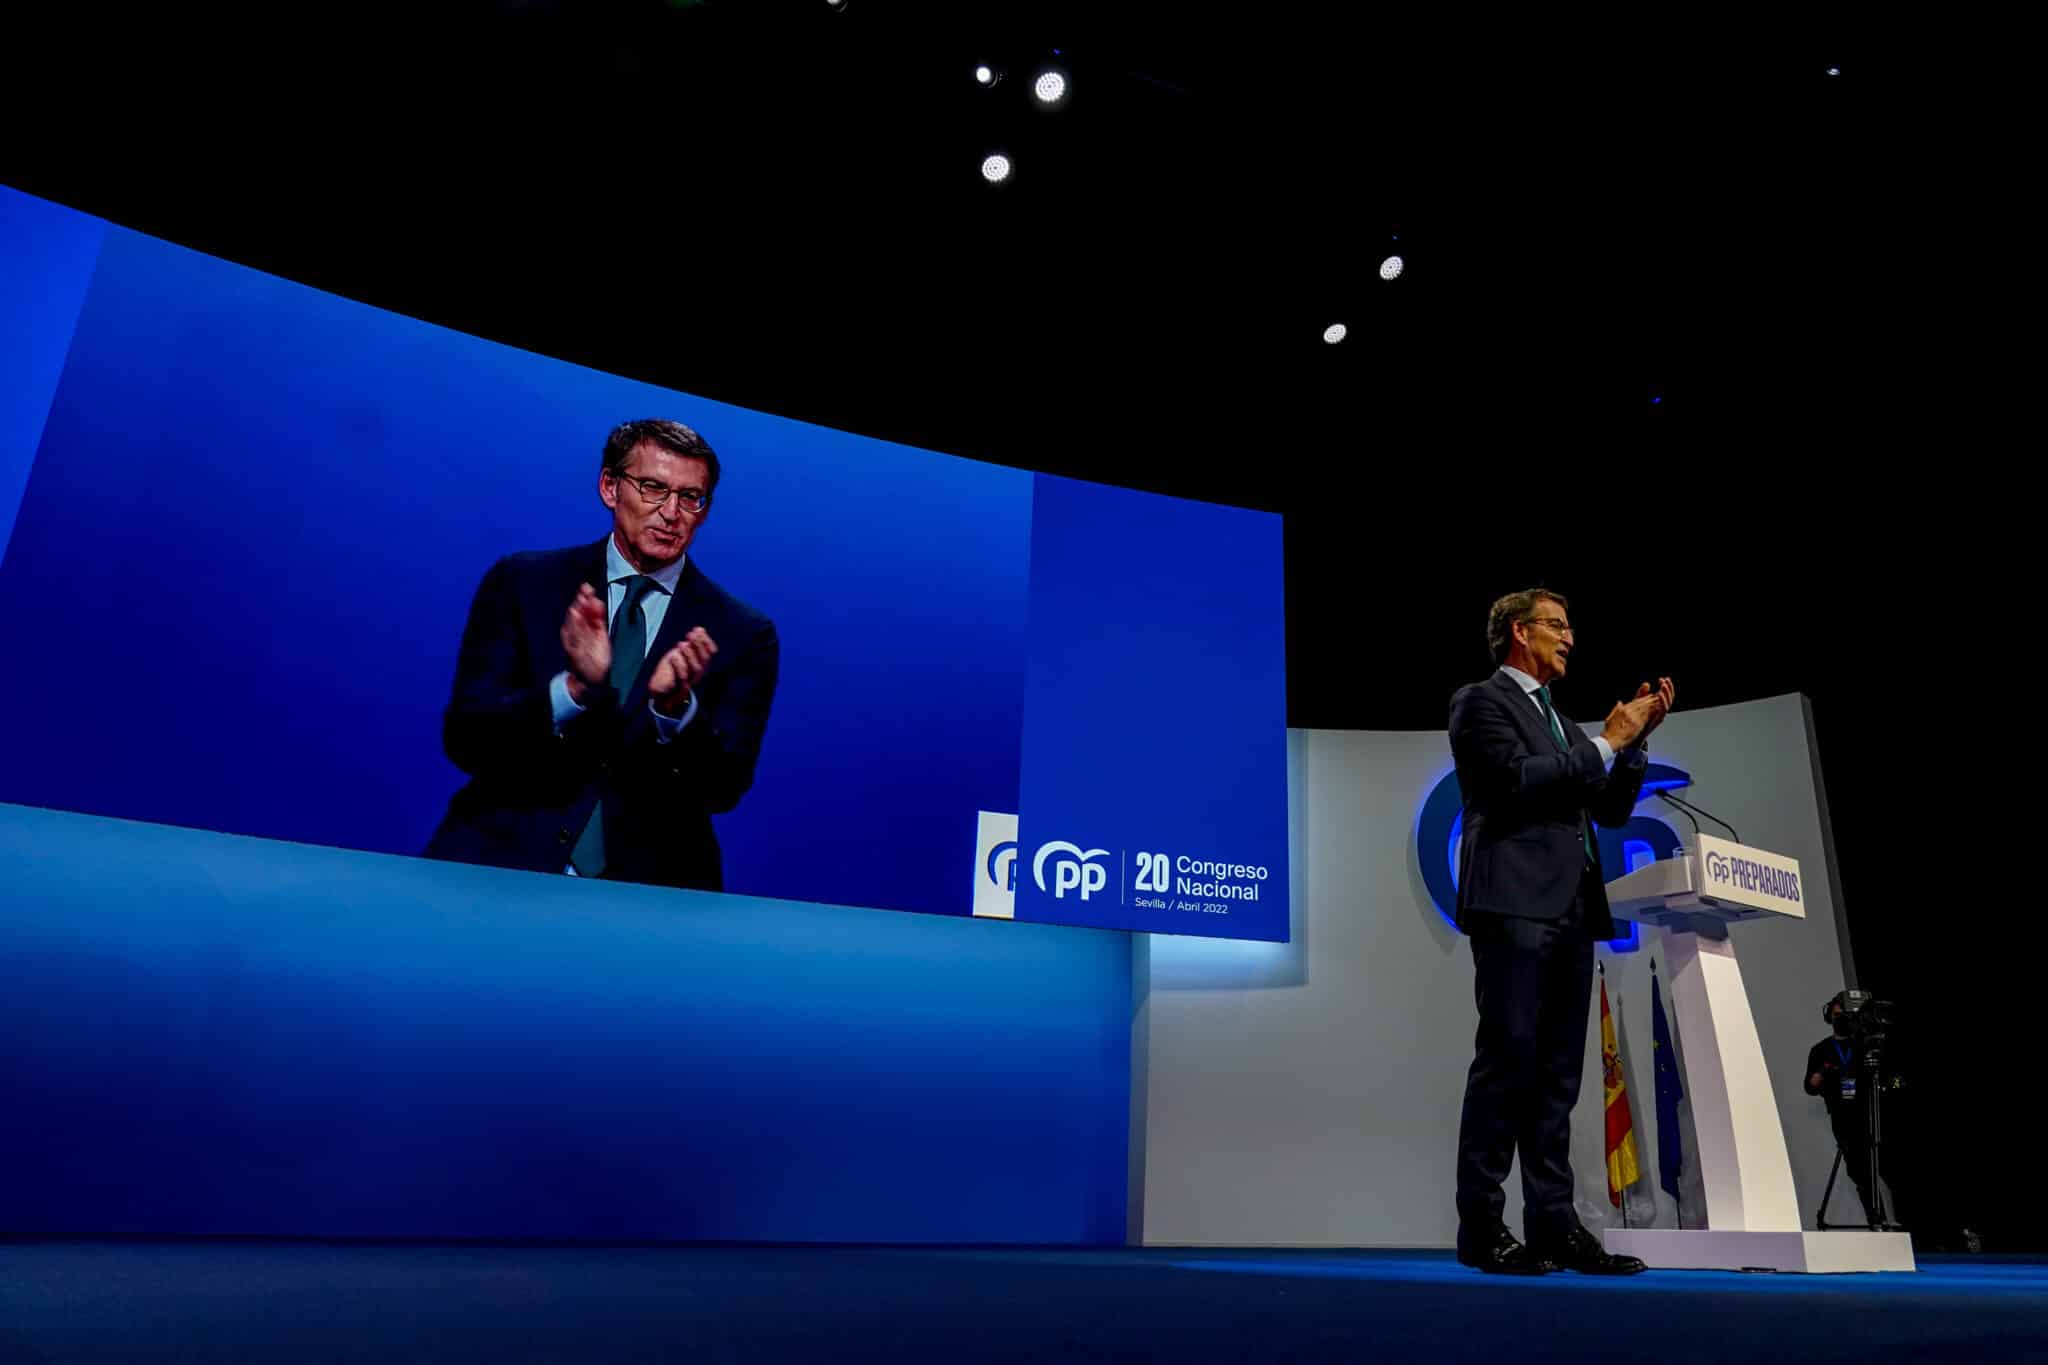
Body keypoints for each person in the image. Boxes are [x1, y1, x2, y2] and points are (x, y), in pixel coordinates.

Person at [425, 418, 779, 891]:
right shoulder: (524, 583)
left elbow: (723, 789)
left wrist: (676, 711)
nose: (671, 512)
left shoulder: (741, 632)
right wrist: (571, 690)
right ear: (610, 487)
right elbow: (467, 740)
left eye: (691, 497)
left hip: (648, 895)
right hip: (498, 864)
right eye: (653, 487)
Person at [1448, 588, 1673, 1275]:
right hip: (1513, 902)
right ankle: (1482, 1227)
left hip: (1573, 909)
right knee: (1507, 1062)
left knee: (1556, 1078)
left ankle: (1554, 1224)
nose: (1570, 636)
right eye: (1558, 624)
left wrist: (1633, 745)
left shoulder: (1562, 719)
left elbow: (1606, 807)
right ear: (1520, 632)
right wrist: (1608, 739)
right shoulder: (1480, 701)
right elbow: (1516, 780)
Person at [1806, 997, 1882, 1225]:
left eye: (1846, 1016)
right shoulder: (1820, 1050)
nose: (1842, 1020)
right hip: (1841, 1115)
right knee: (1858, 1170)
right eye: (1838, 1015)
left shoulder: (1863, 1045)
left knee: (1875, 1167)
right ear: (1829, 1016)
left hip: (1868, 1111)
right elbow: (1809, 1087)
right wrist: (1820, 1075)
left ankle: (1882, 1220)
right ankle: (1876, 1219)